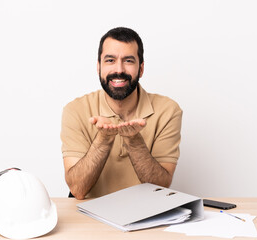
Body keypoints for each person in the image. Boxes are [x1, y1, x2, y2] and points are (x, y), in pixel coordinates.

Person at [61, 27, 182, 200]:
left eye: (128, 61)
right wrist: (103, 140)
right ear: (98, 67)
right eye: (110, 60)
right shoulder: (75, 110)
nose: (119, 69)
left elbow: (160, 188)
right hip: (91, 218)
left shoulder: (168, 111)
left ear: (141, 69)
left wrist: (134, 141)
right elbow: (78, 189)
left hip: (146, 215)